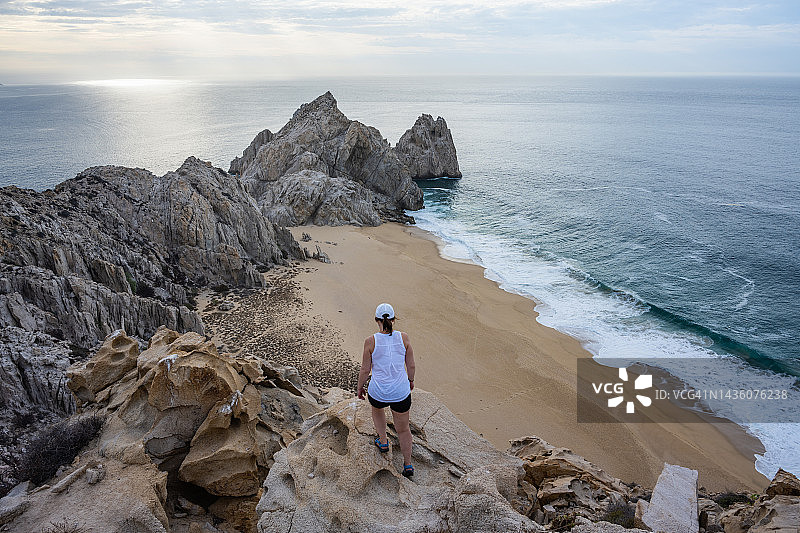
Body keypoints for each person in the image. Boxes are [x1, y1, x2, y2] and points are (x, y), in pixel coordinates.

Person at [357, 303, 416, 478]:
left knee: (377, 410)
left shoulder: (370, 341)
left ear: (377, 320)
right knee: (404, 429)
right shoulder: (403, 338)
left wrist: (360, 388)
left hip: (378, 391)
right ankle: (408, 465)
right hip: (400, 392)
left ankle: (383, 441)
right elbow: (411, 364)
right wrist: (410, 381)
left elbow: (365, 370)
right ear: (393, 319)